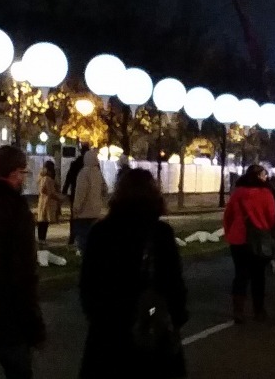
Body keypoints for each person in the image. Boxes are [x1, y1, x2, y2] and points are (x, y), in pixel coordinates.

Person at [78, 168, 188, 379]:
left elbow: (88, 283)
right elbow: (173, 282)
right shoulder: (160, 233)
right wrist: (176, 316)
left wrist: (97, 316)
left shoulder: (101, 232)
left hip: (109, 330)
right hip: (151, 324)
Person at [0, 146, 45, 379]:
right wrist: (32, 320)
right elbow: (23, 269)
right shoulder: (15, 208)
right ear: (13, 173)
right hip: (7, 313)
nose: (24, 178)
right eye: (23, 172)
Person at [223, 165, 275, 323]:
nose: (266, 177)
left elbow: (228, 215)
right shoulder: (266, 193)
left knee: (240, 275)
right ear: (259, 175)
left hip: (238, 239)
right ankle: (258, 311)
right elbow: (272, 216)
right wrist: (268, 232)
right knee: (258, 276)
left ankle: (238, 311)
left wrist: (230, 233)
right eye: (264, 174)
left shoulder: (238, 192)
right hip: (259, 239)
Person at [72, 149, 108, 255]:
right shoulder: (98, 173)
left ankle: (85, 256)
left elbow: (80, 192)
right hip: (96, 211)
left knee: (83, 237)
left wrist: (76, 208)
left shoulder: (84, 173)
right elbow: (105, 189)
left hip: (84, 212)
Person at [63, 144, 91, 246]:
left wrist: (65, 190)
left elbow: (69, 177)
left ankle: (72, 237)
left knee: (74, 215)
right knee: (86, 216)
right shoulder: (92, 166)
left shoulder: (75, 163)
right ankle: (84, 236)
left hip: (75, 192)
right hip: (88, 194)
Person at [36, 160, 66, 247]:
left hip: (44, 202)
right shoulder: (47, 179)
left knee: (43, 221)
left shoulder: (43, 177)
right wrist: (60, 198)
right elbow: (50, 192)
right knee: (43, 222)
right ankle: (42, 239)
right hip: (46, 203)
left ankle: (42, 239)